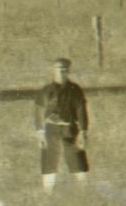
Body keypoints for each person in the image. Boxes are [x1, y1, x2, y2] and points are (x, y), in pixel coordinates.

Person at [32, 56, 91, 192]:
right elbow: (38, 112)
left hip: (70, 129)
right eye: (59, 69)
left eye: (65, 70)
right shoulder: (46, 91)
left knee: (77, 160)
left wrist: (83, 132)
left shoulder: (75, 90)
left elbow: (81, 111)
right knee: (49, 161)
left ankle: (84, 194)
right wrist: (40, 132)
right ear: (54, 70)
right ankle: (47, 193)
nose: (62, 72)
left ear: (69, 71)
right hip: (51, 131)